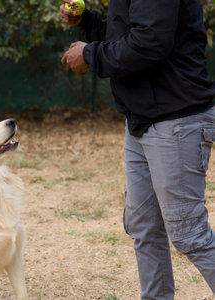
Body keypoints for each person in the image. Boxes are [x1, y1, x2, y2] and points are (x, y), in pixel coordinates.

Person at [60, 0, 215, 299]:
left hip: (176, 118)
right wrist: (88, 22)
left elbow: (151, 42)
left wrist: (90, 54)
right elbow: (126, 34)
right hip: (143, 118)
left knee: (189, 234)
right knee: (143, 226)